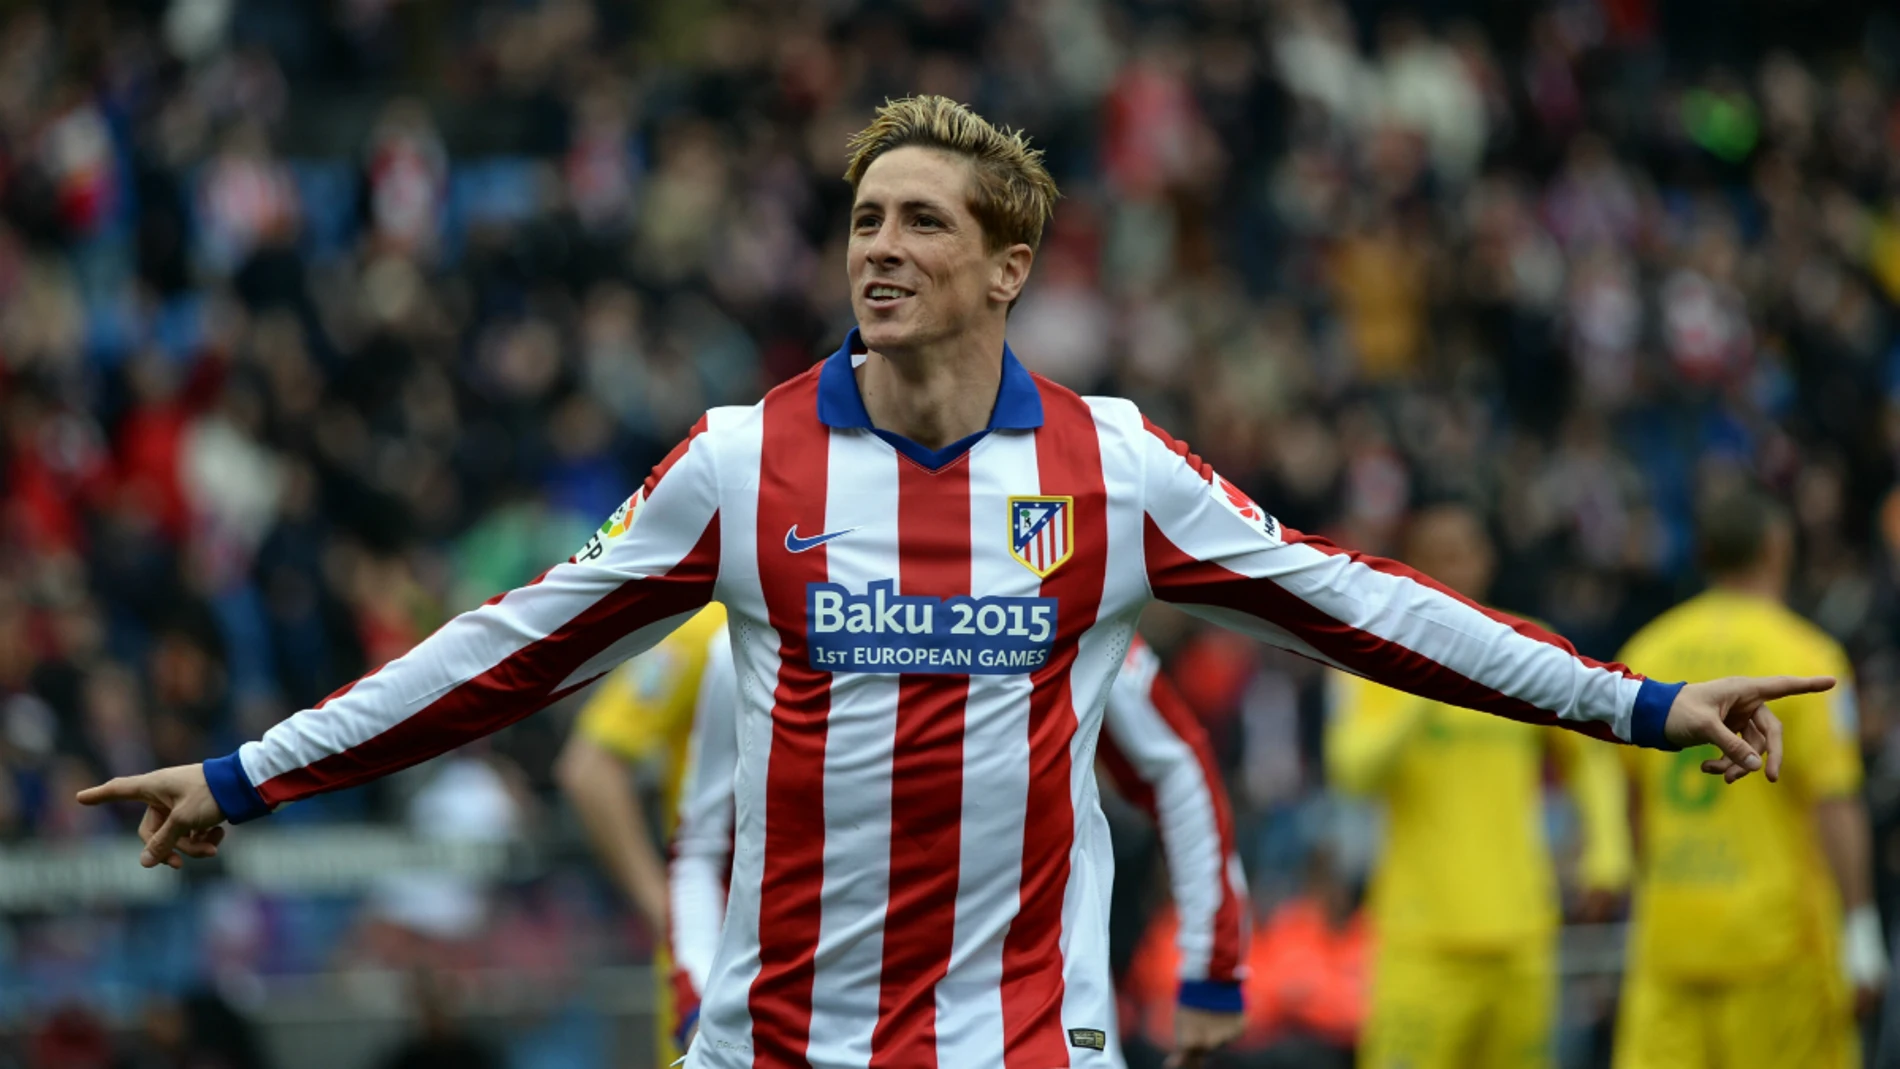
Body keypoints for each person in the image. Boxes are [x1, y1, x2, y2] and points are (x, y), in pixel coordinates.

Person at [80, 96, 1826, 1069]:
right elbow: (504, 650)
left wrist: (1644, 702)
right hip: (770, 1041)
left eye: (922, 222)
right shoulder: (736, 459)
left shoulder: (1115, 468)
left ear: (1009, 265)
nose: (880, 249)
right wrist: (247, 772)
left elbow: (1366, 602)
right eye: (863, 220)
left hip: (1022, 1045)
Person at [661, 629, 1251, 1066]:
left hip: (1034, 1038)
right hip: (804, 1040)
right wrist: (699, 1002)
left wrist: (1212, 969)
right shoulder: (742, 636)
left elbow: (1175, 761)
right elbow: (701, 850)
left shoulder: (1059, 591)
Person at [1326, 504, 1631, 1069]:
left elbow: (1590, 759)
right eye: (1436, 556)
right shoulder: (1372, 648)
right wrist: (1427, 679)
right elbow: (1350, 769)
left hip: (1520, 930)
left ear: (1486, 559)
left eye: (1463, 553)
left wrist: (1607, 852)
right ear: (1410, 564)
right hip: (1420, 941)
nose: (1453, 568)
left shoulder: (1525, 647)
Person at [1612, 486, 1886, 1069]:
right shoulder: (1807, 658)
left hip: (1672, 936)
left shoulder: (1646, 649)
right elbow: (1835, 804)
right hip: (1777, 947)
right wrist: (1862, 930)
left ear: (1704, 553)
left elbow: (1631, 802)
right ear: (1776, 548)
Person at [554, 603, 731, 1067]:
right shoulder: (706, 635)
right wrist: (665, 909)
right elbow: (590, 768)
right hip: (713, 950)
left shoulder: (854, 625)